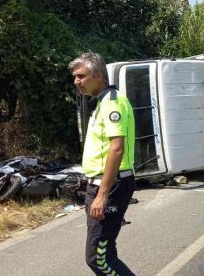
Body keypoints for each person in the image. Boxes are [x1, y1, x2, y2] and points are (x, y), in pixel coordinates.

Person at [70, 53, 136, 276]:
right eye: (75, 77)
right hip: (101, 185)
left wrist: (102, 194)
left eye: (81, 76)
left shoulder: (112, 103)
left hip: (109, 186)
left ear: (98, 75)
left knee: (98, 259)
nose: (77, 81)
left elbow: (116, 148)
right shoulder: (102, 102)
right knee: (106, 252)